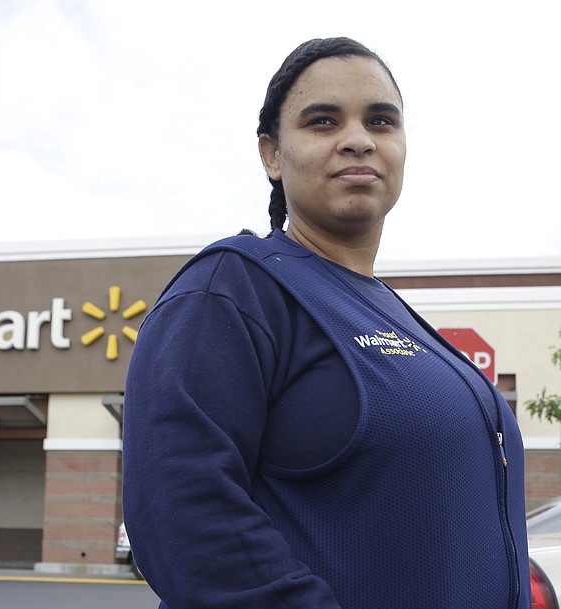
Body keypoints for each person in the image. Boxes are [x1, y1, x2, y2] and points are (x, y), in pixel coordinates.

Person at [122, 37, 530, 608]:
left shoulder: (398, 315)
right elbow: (182, 517)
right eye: (323, 121)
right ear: (271, 154)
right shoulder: (231, 292)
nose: (359, 139)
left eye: (381, 121)